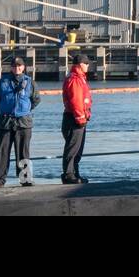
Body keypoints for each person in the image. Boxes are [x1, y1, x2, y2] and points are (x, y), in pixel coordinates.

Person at [0, 56, 40, 188]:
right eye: (14, 66)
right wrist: (4, 108)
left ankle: (25, 178)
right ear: (11, 68)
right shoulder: (2, 82)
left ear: (23, 67)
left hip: (23, 121)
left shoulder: (30, 82)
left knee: (23, 151)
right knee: (2, 151)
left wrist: (25, 110)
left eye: (19, 66)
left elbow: (36, 100)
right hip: (5, 121)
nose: (17, 68)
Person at [61, 52, 92, 185]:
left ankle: (74, 172)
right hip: (74, 119)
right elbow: (76, 101)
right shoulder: (75, 79)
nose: (88, 66)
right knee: (73, 148)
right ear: (80, 65)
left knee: (77, 148)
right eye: (86, 63)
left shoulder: (79, 78)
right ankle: (68, 174)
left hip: (77, 118)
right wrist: (80, 118)